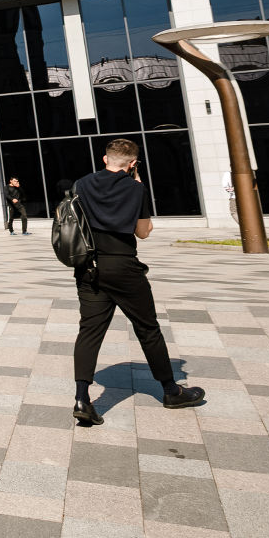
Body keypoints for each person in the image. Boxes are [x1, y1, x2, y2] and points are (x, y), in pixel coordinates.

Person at [70, 138, 204, 426]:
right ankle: (171, 391)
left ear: (105, 159)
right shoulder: (135, 188)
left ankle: (82, 398)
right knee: (147, 328)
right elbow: (143, 232)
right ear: (132, 163)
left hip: (89, 267)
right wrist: (138, 188)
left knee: (89, 331)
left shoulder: (81, 183)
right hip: (123, 267)